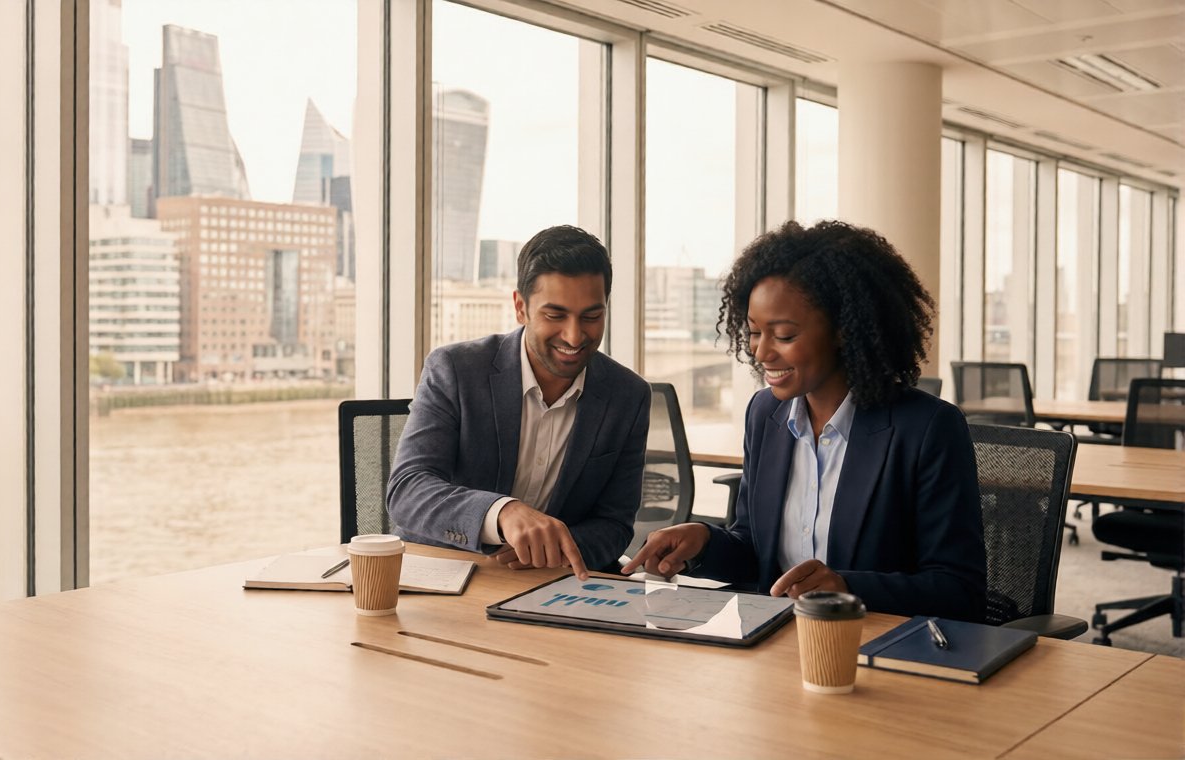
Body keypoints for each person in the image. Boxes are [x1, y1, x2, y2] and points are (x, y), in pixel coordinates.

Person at [623, 220, 986, 621]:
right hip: (774, 642)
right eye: (754, 332)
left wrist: (847, 588)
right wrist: (705, 542)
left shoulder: (928, 428)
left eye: (783, 335)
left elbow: (959, 591)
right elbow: (756, 554)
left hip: (870, 649)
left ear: (843, 331)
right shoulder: (766, 415)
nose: (761, 353)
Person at [388, 225, 651, 580]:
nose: (574, 336)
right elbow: (408, 489)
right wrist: (501, 513)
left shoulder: (628, 396)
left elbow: (615, 524)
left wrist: (555, 549)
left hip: (550, 583)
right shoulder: (456, 369)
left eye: (591, 316)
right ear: (520, 307)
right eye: (555, 315)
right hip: (447, 574)